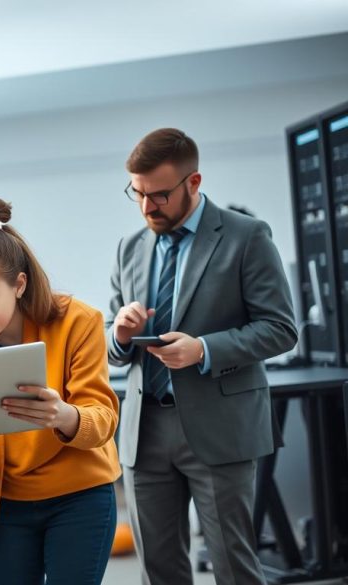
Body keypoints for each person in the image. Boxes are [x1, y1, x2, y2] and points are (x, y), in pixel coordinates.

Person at [107, 128, 297, 585]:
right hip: (143, 430)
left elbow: (280, 328)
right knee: (159, 569)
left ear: (194, 183)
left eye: (160, 195)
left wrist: (204, 350)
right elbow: (114, 346)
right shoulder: (129, 247)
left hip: (219, 425)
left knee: (233, 565)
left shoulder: (246, 236)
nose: (148, 206)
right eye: (138, 193)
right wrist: (120, 334)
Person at [0, 197, 120, 585]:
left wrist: (64, 415)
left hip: (80, 498)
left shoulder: (79, 321)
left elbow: (102, 420)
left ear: (19, 285)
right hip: (6, 505)